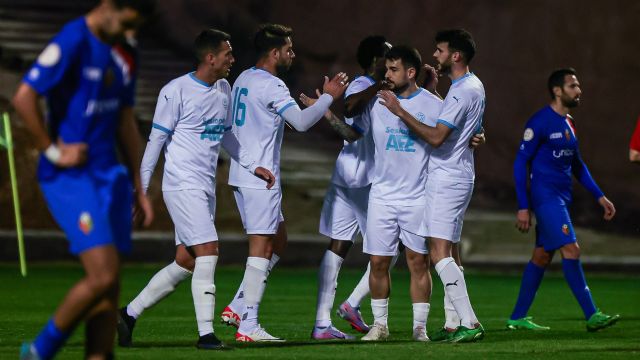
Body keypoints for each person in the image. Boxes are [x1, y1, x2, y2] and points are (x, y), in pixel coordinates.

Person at [115, 29, 275, 350]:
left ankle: (128, 315)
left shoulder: (223, 88)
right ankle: (206, 334)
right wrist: (141, 189)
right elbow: (155, 143)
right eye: (227, 54)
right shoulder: (176, 91)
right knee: (209, 250)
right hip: (181, 184)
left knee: (186, 261)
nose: (232, 59)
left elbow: (227, 134)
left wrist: (251, 163)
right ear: (210, 57)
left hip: (205, 187)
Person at [12, 1, 154, 359]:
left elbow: (124, 119)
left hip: (111, 178)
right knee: (103, 276)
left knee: (110, 288)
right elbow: (24, 97)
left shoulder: (124, 50)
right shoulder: (73, 39)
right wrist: (53, 150)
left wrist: (140, 185)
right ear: (108, 6)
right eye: (126, 23)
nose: (128, 33)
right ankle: (39, 351)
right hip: (71, 179)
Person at [219, 23, 348, 342]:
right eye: (289, 49)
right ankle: (248, 326)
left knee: (278, 239)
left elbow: (259, 122)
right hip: (261, 177)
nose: (293, 54)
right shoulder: (273, 85)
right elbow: (302, 123)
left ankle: (237, 306)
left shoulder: (245, 77)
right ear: (274, 53)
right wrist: (327, 99)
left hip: (241, 173)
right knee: (261, 248)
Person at [378, 29, 486, 343]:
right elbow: (476, 130)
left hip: (447, 177)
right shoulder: (475, 85)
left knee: (439, 254)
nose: (434, 56)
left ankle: (470, 321)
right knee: (450, 250)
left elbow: (437, 137)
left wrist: (400, 111)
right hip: (461, 173)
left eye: (439, 51)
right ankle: (453, 322)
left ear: (455, 55)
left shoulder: (460, 92)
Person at [508, 68, 619, 332]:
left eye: (578, 85)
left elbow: (578, 165)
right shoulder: (539, 122)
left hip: (561, 198)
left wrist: (600, 196)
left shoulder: (568, 122)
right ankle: (592, 314)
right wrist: (523, 206)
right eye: (573, 86)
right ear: (558, 91)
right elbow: (519, 163)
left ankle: (517, 317)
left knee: (541, 257)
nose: (579, 90)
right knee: (572, 250)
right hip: (546, 199)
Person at [305, 35, 392, 340]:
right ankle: (351, 304)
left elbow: (350, 128)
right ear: (375, 59)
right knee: (387, 251)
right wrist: (378, 85)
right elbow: (353, 111)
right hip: (366, 179)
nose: (392, 62)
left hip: (348, 176)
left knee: (338, 246)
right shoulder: (362, 85)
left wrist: (328, 114)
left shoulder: (380, 87)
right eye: (387, 56)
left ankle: (321, 324)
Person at [361, 45, 440, 342]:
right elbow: (352, 125)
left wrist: (476, 136)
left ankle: (419, 328)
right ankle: (379, 325)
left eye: (393, 70)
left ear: (410, 72)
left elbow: (449, 135)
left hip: (417, 196)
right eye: (386, 69)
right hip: (381, 196)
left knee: (418, 263)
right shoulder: (377, 101)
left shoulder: (432, 104)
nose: (387, 75)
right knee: (378, 263)